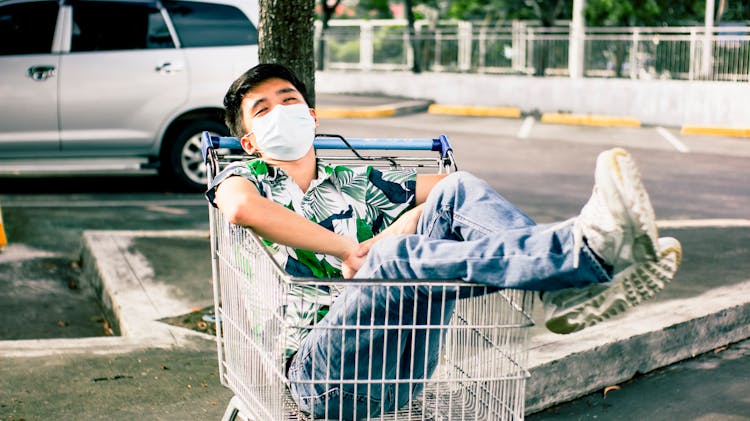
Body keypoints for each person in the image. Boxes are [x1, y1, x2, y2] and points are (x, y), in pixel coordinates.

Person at [207, 63, 682, 419]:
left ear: (310, 115)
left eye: (288, 100)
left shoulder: (356, 182)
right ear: (249, 140)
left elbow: (443, 192)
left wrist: (390, 234)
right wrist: (349, 250)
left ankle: (560, 284)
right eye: (262, 109)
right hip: (319, 375)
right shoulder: (244, 176)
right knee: (393, 256)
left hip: (400, 362)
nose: (279, 112)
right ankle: (575, 257)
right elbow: (243, 209)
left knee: (456, 188)